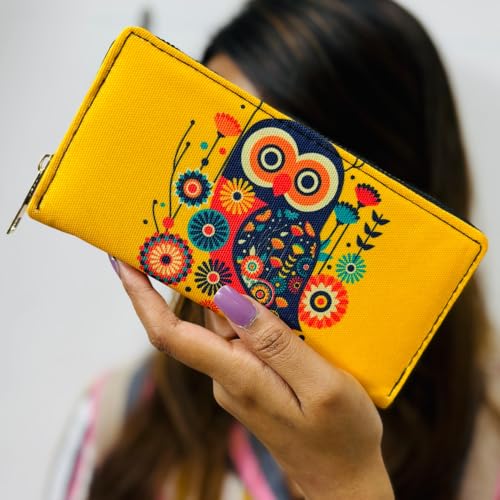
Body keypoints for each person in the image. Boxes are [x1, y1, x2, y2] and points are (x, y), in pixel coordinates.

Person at [47, 1, 500, 499]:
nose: (252, 191)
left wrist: (347, 483)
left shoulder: (486, 448)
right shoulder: (115, 422)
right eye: (228, 140)